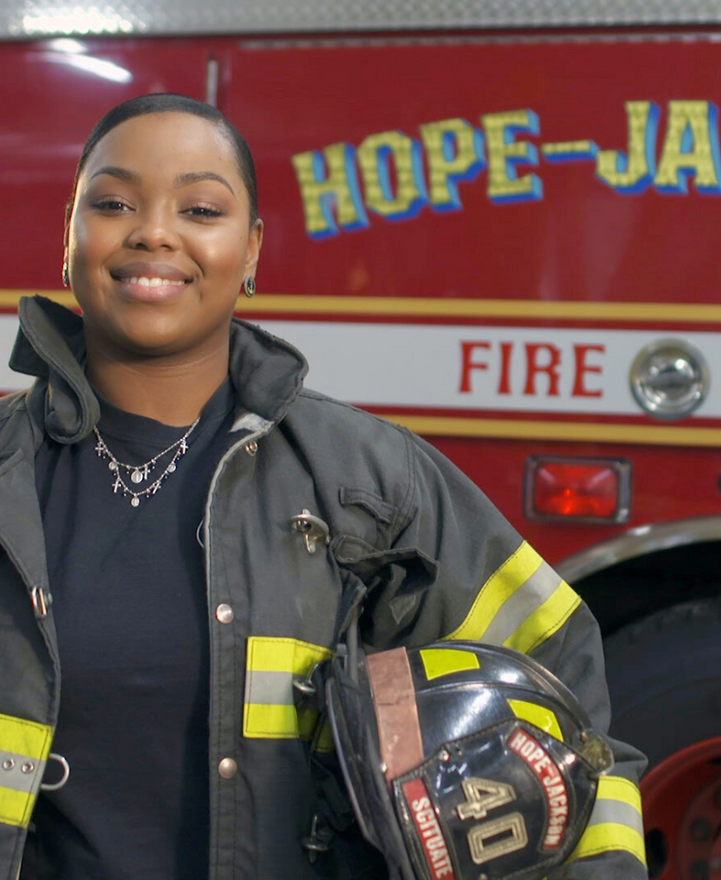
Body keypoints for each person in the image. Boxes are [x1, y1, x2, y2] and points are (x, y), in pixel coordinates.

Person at [0, 93, 647, 880]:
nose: (154, 232)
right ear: (67, 231)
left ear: (252, 252)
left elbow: (565, 693)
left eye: (201, 207)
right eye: (112, 203)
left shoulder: (370, 481)